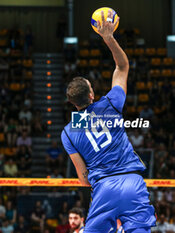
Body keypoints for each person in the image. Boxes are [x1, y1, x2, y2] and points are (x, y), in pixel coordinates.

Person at [61, 10, 156, 233]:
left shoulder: (68, 132)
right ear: (92, 96)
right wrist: (108, 38)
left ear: (73, 103)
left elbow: (84, 180)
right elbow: (122, 67)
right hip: (132, 182)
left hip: (104, 188)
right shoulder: (111, 104)